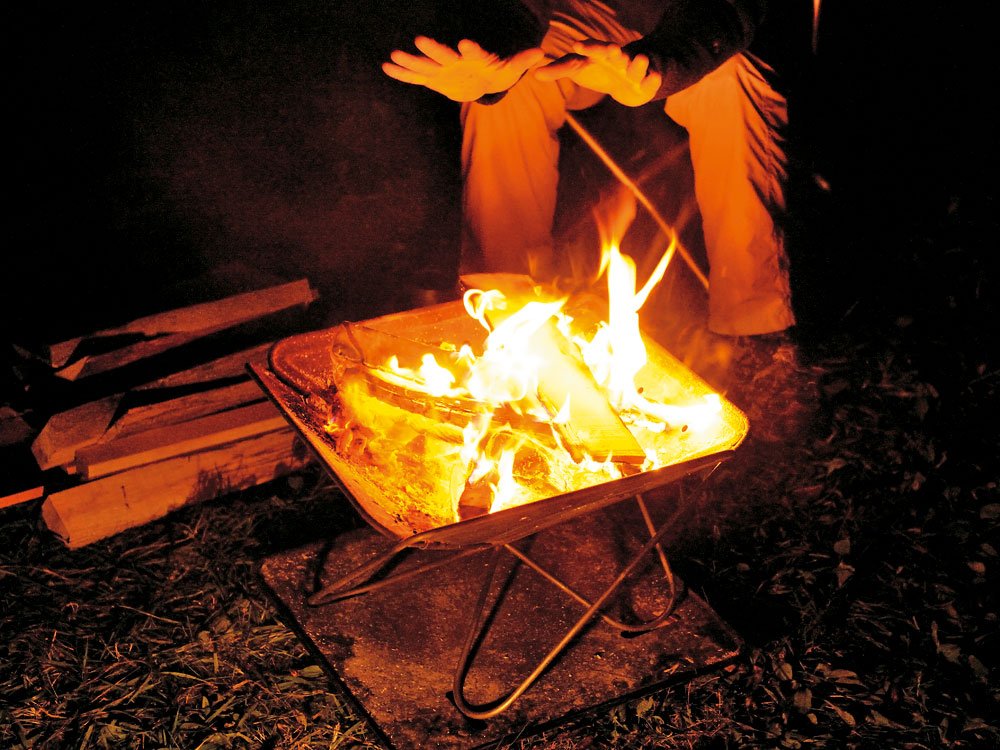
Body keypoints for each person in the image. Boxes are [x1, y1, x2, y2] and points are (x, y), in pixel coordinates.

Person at [383, 1, 808, 338]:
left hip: (698, 22)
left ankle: (754, 326)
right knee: (512, 85)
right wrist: (501, 45)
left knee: (733, 83)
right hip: (586, 12)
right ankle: (505, 312)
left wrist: (666, 61)